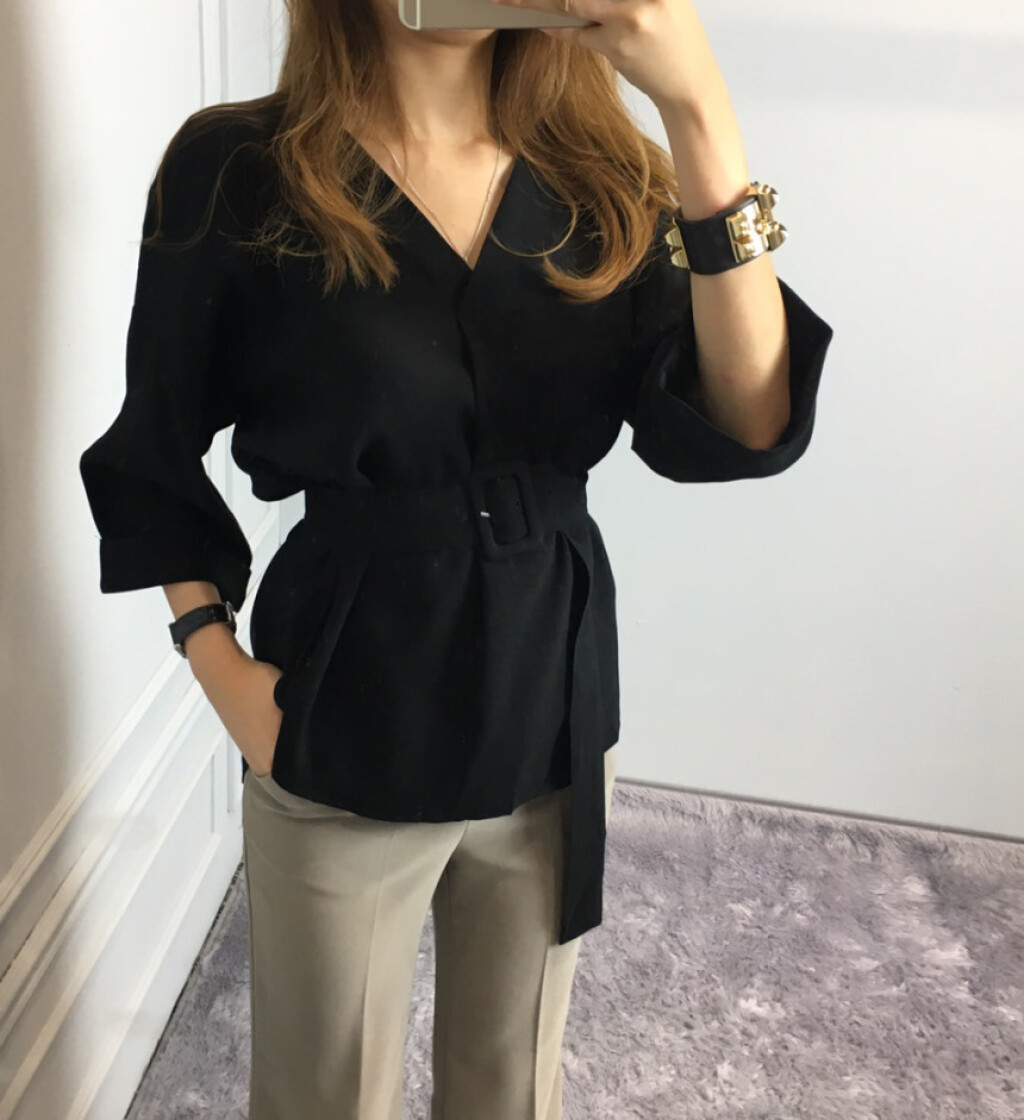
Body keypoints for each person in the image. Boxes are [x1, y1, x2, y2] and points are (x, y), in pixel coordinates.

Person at [79, 0, 835, 1116]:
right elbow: (151, 449)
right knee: (322, 1093)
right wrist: (216, 661)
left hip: (551, 702)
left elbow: (749, 419)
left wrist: (698, 109)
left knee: (510, 1086)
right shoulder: (238, 170)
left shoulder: (603, 176)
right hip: (342, 704)